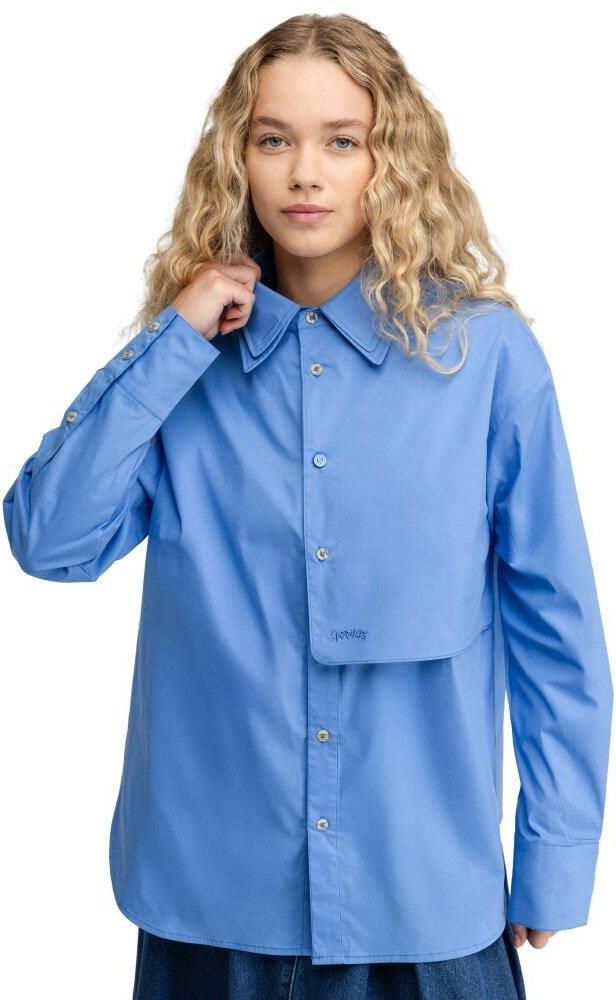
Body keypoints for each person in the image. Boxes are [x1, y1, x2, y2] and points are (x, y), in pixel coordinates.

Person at [3, 13, 612, 1000]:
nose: (304, 173)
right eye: (273, 138)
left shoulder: (485, 359)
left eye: (342, 140)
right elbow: (48, 538)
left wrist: (557, 851)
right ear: (236, 160)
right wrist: (172, 341)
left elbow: (556, 625)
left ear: (389, 160)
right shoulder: (186, 369)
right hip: (211, 912)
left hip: (424, 907)